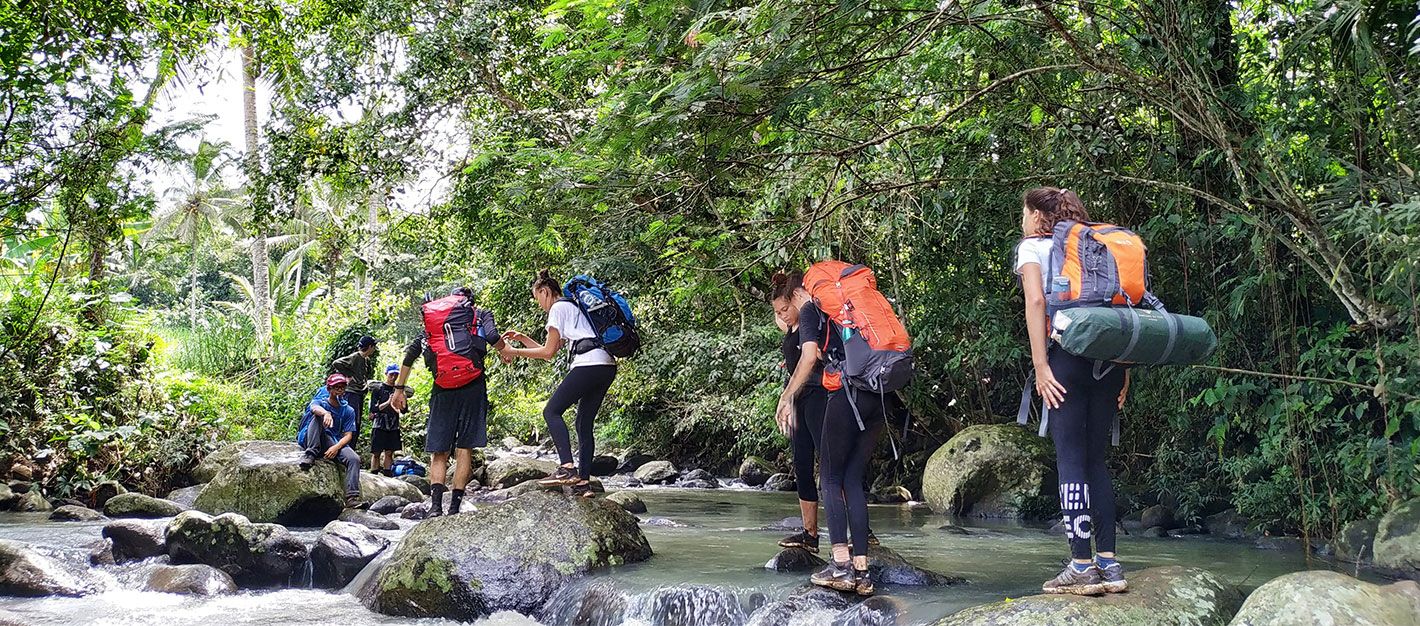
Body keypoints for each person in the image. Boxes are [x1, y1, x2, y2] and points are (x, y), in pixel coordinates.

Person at [1015, 187, 1130, 595]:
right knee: (1095, 461)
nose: (1024, 220)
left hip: (1065, 360)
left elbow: (1035, 302)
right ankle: (1110, 565)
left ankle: (1081, 566)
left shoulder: (1034, 249)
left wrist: (1042, 365)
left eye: (1025, 213)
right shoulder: (1096, 245)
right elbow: (1122, 306)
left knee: (1070, 462)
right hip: (1110, 362)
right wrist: (1125, 371)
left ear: (1036, 215)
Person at [778, 272, 886, 597]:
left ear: (799, 292)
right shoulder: (853, 311)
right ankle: (863, 572)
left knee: (830, 477)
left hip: (845, 396)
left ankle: (841, 566)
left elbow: (810, 356)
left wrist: (786, 397)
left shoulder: (812, 308)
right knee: (852, 479)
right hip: (879, 395)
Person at [389, 287, 508, 517]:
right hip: (473, 386)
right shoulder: (479, 314)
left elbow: (411, 354)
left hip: (442, 388)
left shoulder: (436, 323)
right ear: (470, 301)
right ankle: (454, 507)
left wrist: (399, 389)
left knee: (439, 452)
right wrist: (507, 351)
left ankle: (435, 507)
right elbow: (493, 337)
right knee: (464, 449)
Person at [500, 270, 617, 499]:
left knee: (551, 411)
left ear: (544, 292)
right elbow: (549, 352)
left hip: (588, 364)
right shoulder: (573, 307)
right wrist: (522, 339)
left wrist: (512, 350)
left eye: (538, 299)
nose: (539, 305)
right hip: (606, 365)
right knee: (583, 422)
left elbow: (548, 351)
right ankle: (583, 485)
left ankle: (567, 467)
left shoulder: (557, 308)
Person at [769, 270, 828, 553]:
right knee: (802, 466)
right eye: (777, 312)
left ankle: (861, 532)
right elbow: (779, 311)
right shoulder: (789, 325)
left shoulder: (808, 318)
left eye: (785, 309)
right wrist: (779, 286)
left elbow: (813, 356)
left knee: (830, 466)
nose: (783, 315)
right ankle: (810, 534)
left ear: (796, 300)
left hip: (819, 396)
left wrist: (786, 396)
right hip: (797, 403)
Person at [297, 373, 366, 509]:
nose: (340, 390)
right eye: (336, 387)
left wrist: (336, 447)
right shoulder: (321, 402)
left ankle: (352, 497)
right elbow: (314, 408)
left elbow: (348, 435)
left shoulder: (348, 410)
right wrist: (325, 413)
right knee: (317, 417)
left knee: (354, 459)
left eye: (342, 387)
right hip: (312, 437)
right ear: (329, 389)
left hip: (331, 441)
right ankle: (310, 454)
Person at [332, 334, 378, 445]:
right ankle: (346, 447)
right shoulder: (355, 357)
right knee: (351, 421)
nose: (375, 348)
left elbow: (366, 375)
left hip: (360, 393)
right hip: (352, 393)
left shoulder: (366, 360)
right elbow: (336, 363)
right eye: (374, 346)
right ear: (370, 347)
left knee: (357, 422)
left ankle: (351, 448)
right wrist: (348, 376)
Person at [368, 363, 406, 476]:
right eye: (391, 374)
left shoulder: (399, 390)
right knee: (376, 452)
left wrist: (403, 402)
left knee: (389, 452)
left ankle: (387, 474)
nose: (393, 377)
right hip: (379, 423)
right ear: (386, 374)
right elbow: (373, 409)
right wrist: (387, 403)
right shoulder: (378, 389)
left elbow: (404, 410)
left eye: (396, 375)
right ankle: (373, 474)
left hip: (393, 423)